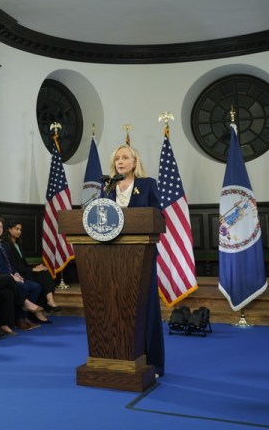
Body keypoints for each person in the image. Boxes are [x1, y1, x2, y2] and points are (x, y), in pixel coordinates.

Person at [102, 144, 165, 377]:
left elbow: (159, 216)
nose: (120, 161)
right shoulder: (107, 187)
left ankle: (152, 362)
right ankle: (117, 356)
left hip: (142, 257)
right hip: (111, 258)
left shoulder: (148, 184)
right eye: (117, 158)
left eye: (125, 157)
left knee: (145, 309)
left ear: (134, 162)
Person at [0, 217, 48, 324]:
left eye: (1, 227)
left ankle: (25, 316)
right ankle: (19, 319)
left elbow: (7, 262)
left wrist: (16, 273)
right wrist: (10, 275)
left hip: (10, 273)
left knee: (36, 287)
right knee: (22, 287)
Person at [2, 219, 61, 311]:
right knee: (42, 276)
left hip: (25, 271)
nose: (19, 232)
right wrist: (33, 270)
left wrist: (35, 267)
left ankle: (50, 301)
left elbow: (23, 264)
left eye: (20, 230)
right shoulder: (6, 245)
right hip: (18, 274)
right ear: (10, 229)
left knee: (44, 271)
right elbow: (14, 266)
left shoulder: (18, 244)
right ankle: (49, 303)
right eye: (16, 229)